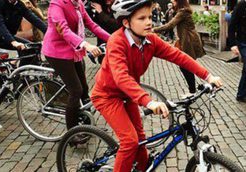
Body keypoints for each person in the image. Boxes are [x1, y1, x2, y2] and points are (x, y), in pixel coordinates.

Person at [91, 0, 223, 171]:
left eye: (149, 16)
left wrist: (208, 76)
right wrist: (149, 101)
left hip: (129, 95)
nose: (149, 22)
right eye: (141, 18)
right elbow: (121, 77)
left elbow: (178, 56)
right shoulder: (116, 41)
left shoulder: (150, 40)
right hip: (107, 96)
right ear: (126, 22)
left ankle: (143, 168)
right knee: (130, 141)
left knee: (140, 138)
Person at [41, 0, 110, 130]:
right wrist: (86, 44)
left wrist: (113, 39)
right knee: (76, 90)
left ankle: (86, 125)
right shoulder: (57, 4)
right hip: (57, 51)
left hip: (73, 50)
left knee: (84, 89)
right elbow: (64, 30)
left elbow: (92, 25)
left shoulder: (78, 4)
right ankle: (72, 133)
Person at [153, 0, 206, 97]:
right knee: (187, 65)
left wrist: (153, 30)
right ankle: (195, 88)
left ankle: (192, 91)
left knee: (185, 65)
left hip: (189, 41)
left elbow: (170, 25)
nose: (172, 2)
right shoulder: (181, 11)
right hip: (187, 39)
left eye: (174, 1)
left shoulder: (183, 12)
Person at [0, 0, 47, 65]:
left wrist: (50, 33)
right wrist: (13, 41)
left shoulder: (19, 4)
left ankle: (20, 75)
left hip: (5, 37)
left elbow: (34, 19)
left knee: (30, 49)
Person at [228, 0, 246, 102]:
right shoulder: (241, 5)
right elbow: (232, 25)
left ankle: (241, 94)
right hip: (243, 42)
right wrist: (233, 44)